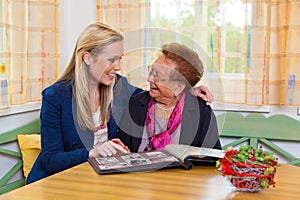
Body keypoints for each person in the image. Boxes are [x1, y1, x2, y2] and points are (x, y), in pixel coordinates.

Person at [26, 23, 214, 184]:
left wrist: (188, 89)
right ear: (87, 58)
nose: (118, 66)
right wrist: (92, 152)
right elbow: (50, 160)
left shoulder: (118, 86)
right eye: (112, 59)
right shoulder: (56, 97)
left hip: (99, 180)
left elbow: (153, 93)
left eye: (120, 59)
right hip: (60, 182)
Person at [117, 43, 221, 152]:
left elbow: (212, 157)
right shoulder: (136, 104)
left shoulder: (201, 111)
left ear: (178, 87)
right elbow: (121, 150)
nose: (149, 79)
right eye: (151, 71)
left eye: (158, 76)